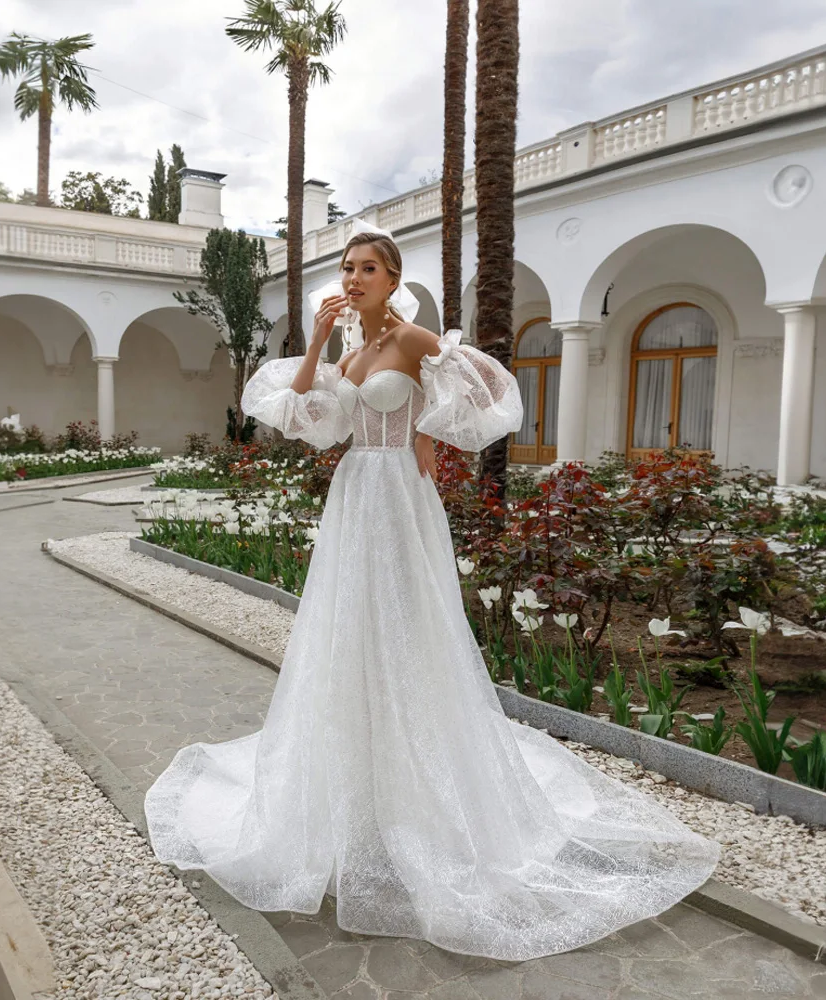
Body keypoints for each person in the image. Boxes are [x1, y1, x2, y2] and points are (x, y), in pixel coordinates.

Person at [143, 222, 720, 961]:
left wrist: (430, 434)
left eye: (367, 269)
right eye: (347, 268)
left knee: (407, 628)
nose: (352, 279)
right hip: (355, 491)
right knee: (347, 629)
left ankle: (425, 788)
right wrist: (317, 344)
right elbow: (309, 421)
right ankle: (355, 787)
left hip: (401, 498)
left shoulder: (416, 342)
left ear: (392, 277)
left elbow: (484, 398)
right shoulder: (349, 350)